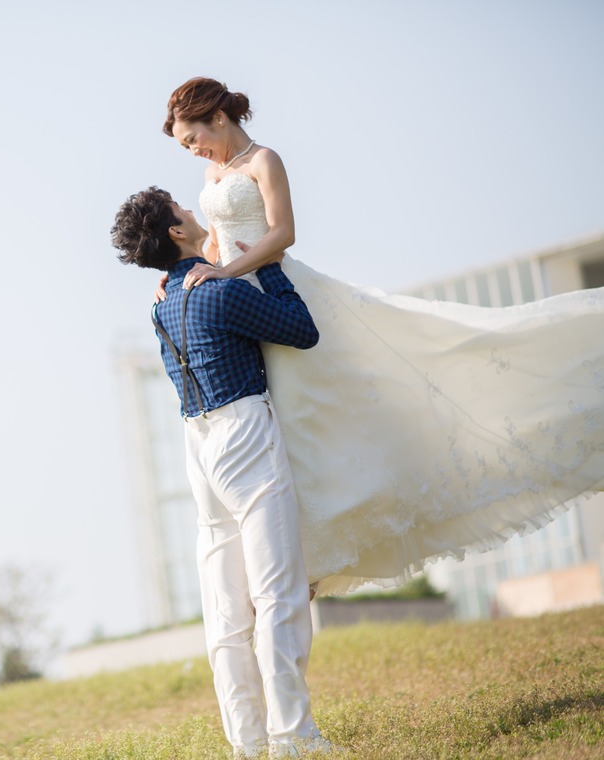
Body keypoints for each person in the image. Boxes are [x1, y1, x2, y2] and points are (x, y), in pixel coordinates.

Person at [158, 76, 604, 596]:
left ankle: (316, 549)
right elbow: (214, 246)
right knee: (288, 419)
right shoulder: (212, 176)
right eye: (186, 148)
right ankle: (308, 549)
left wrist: (229, 274)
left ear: (216, 116)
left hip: (280, 292)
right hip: (241, 302)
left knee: (316, 408)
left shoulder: (264, 160)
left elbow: (283, 234)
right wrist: (183, 279)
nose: (194, 152)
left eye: (192, 140)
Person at [111, 186, 334, 758]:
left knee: (226, 606)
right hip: (242, 433)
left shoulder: (161, 306)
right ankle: (295, 738)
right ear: (177, 234)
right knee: (277, 593)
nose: (194, 210)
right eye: (184, 212)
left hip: (199, 446)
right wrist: (274, 266)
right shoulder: (219, 293)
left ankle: (247, 744)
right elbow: (301, 330)